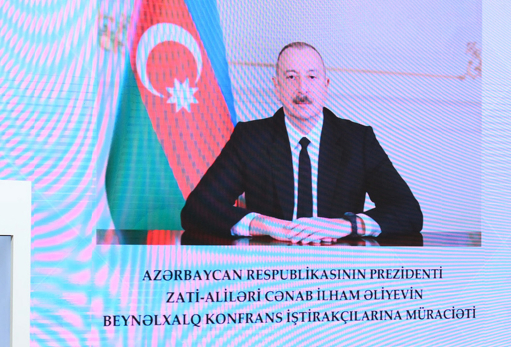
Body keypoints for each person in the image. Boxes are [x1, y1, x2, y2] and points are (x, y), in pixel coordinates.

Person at [180, 42, 422, 244]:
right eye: (291, 77)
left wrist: (346, 225)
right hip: (270, 272)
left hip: (340, 274)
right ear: (277, 86)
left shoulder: (358, 140)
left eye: (312, 77)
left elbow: (408, 211)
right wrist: (265, 224)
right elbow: (197, 209)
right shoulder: (251, 138)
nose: (302, 89)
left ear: (326, 85)